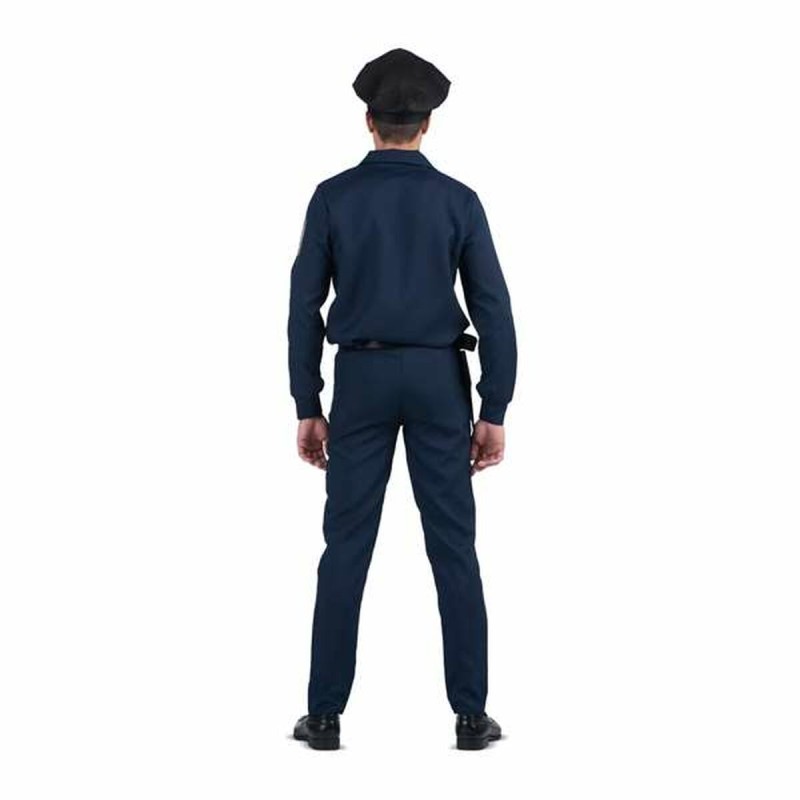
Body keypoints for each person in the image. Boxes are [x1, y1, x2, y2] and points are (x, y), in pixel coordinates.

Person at [288, 48, 517, 750]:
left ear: (369, 120)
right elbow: (493, 309)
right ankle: (471, 717)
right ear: (427, 125)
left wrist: (307, 401)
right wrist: (494, 408)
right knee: (453, 546)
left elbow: (304, 308)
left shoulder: (333, 197)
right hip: (437, 381)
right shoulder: (458, 200)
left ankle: (324, 716)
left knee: (345, 546)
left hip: (360, 378)